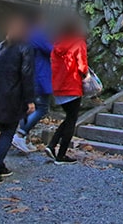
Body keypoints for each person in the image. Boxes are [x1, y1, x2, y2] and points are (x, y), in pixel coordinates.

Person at [0, 13, 35, 185]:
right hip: (13, 96)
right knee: (8, 131)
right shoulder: (25, 48)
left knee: (3, 130)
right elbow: (27, 75)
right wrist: (30, 100)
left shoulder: (1, 47)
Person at [46, 16, 88, 165]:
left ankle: (52, 145)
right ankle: (61, 154)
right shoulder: (78, 43)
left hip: (58, 86)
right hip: (72, 85)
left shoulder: (56, 45)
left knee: (69, 117)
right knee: (72, 120)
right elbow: (82, 66)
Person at [12, 17, 53, 154]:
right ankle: (20, 135)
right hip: (39, 77)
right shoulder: (37, 34)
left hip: (30, 76)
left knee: (28, 109)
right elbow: (51, 50)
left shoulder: (25, 36)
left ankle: (23, 138)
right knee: (41, 108)